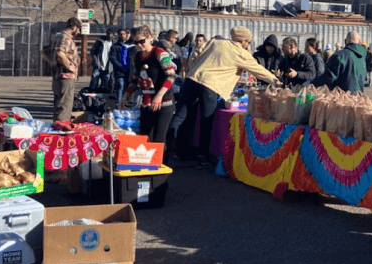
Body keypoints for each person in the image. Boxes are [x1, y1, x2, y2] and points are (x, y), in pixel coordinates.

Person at [168, 27, 278, 163]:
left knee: (181, 116)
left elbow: (196, 53)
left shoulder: (216, 42)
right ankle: (202, 156)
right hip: (210, 86)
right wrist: (276, 81)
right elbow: (259, 70)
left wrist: (193, 69)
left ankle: (172, 149)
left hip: (192, 79)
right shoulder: (240, 53)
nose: (248, 45)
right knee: (206, 120)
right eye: (248, 42)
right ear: (243, 40)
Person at [119, 24, 177, 143]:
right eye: (136, 43)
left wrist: (159, 95)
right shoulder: (136, 57)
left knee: (159, 140)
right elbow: (134, 80)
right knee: (145, 138)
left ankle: (162, 161)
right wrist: (125, 96)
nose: (139, 45)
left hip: (164, 102)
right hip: (147, 103)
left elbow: (171, 76)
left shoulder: (160, 53)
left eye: (142, 41)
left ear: (149, 37)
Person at [51, 17, 82, 122]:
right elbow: (60, 53)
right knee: (65, 106)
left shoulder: (57, 37)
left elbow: (45, 52)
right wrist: (70, 67)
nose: (79, 31)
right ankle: (62, 132)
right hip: (66, 77)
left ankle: (56, 130)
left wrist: (53, 64)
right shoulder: (67, 38)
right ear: (73, 27)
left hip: (57, 76)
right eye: (79, 28)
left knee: (58, 106)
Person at [109, 28, 133, 103]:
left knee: (129, 90)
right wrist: (121, 67)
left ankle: (127, 106)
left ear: (127, 35)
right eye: (120, 34)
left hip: (130, 72)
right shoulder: (115, 46)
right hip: (119, 72)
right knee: (120, 87)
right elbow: (113, 58)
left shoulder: (131, 45)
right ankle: (118, 106)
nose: (122, 36)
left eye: (123, 34)